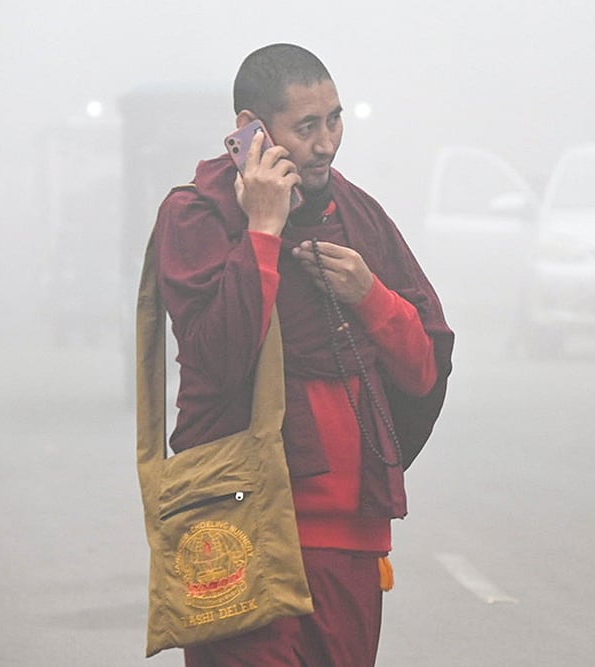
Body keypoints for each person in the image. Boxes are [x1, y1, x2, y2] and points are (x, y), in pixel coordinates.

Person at [153, 44, 454, 666]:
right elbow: (220, 356)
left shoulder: (357, 216)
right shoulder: (198, 214)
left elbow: (424, 371)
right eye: (307, 127)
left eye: (335, 121)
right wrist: (262, 230)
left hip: (349, 535)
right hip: (238, 526)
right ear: (250, 129)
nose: (326, 145)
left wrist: (371, 296)